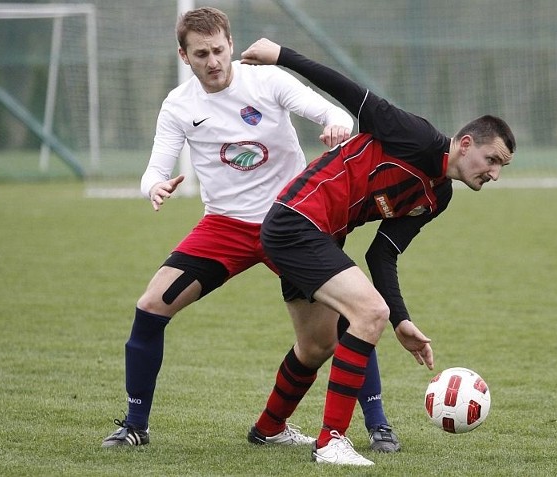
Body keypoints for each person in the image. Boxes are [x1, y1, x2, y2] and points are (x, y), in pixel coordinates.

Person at [101, 7, 400, 453]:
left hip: (292, 223)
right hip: (225, 226)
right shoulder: (179, 105)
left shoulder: (266, 80)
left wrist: (334, 123)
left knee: (334, 329)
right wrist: (155, 187)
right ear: (184, 56)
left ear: (230, 43)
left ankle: (374, 425)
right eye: (201, 53)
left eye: (219, 50)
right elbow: (154, 170)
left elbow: (326, 110)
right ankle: (135, 425)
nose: (214, 61)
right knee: (151, 306)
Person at [240, 39, 516, 466]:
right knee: (369, 313)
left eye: (503, 167)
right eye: (491, 159)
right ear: (464, 144)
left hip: (321, 236)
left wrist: (402, 321)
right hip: (298, 218)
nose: (495, 173)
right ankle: (332, 441)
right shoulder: (416, 136)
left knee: (315, 345)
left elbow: (382, 256)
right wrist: (282, 55)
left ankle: (269, 428)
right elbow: (351, 92)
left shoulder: (439, 196)